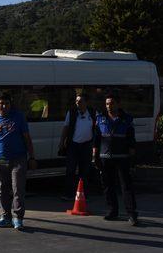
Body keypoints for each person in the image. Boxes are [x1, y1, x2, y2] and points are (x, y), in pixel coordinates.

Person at [0, 92, 37, 230]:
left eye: (7, 103)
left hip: (18, 159)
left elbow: (27, 138)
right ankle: (5, 217)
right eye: (1, 103)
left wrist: (32, 157)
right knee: (2, 190)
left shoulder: (18, 117)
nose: (4, 105)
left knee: (17, 189)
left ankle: (18, 218)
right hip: (0, 160)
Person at [93, 92, 139, 226]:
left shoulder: (127, 119)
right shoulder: (100, 118)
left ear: (118, 104)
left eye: (111, 103)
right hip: (105, 157)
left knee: (126, 186)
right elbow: (97, 138)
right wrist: (94, 154)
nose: (109, 106)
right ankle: (113, 210)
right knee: (108, 186)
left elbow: (131, 139)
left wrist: (132, 157)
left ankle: (132, 214)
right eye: (107, 103)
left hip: (122, 157)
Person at [58, 93, 96, 201]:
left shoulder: (92, 113)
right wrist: (62, 141)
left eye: (80, 101)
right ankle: (68, 194)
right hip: (73, 145)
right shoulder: (72, 113)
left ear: (86, 103)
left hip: (87, 145)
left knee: (84, 171)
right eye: (76, 101)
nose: (77, 103)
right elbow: (65, 127)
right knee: (70, 170)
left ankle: (83, 194)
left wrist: (95, 145)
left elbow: (97, 128)